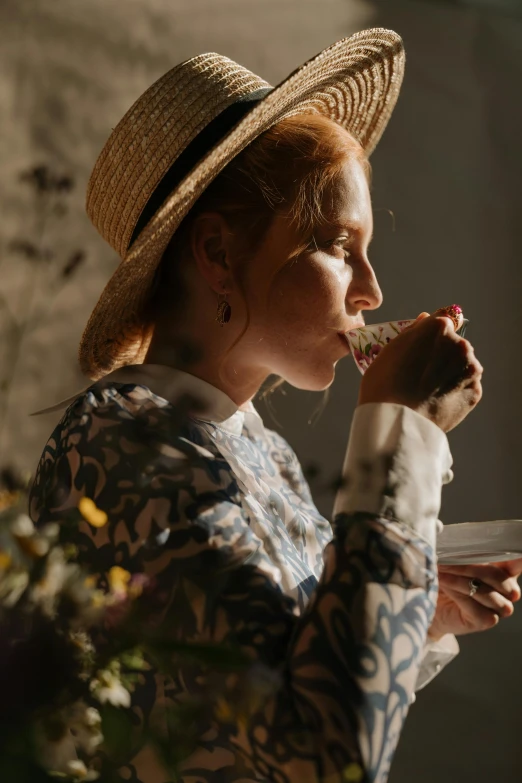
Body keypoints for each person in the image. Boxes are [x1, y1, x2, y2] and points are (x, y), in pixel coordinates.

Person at [29, 29, 521, 783]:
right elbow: (330, 754)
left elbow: (272, 687)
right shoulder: (126, 442)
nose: (372, 290)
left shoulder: (255, 449)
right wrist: (401, 433)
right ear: (219, 254)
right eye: (336, 244)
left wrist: (413, 615)